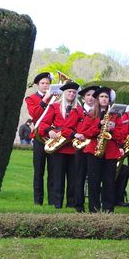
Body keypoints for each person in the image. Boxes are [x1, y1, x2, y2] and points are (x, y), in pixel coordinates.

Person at [77, 87, 126, 213]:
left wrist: (113, 129)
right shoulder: (91, 114)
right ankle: (94, 209)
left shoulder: (116, 115)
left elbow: (121, 135)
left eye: (106, 97)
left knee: (109, 181)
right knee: (94, 181)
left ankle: (108, 209)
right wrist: (99, 124)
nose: (104, 99)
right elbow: (85, 133)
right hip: (94, 151)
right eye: (102, 97)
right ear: (98, 99)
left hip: (110, 152)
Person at [37, 81, 82, 209]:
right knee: (57, 177)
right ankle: (57, 202)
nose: (72, 94)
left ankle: (71, 203)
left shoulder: (79, 109)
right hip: (58, 147)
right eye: (69, 92)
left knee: (73, 177)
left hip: (72, 147)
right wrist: (49, 131)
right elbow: (43, 124)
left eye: (74, 92)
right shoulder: (55, 107)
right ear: (64, 93)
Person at [25, 72, 55, 205]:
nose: (45, 86)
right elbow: (35, 114)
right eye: (42, 83)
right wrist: (45, 100)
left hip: (53, 138)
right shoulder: (30, 98)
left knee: (53, 171)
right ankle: (38, 201)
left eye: (47, 83)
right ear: (38, 85)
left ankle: (53, 200)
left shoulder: (56, 98)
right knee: (39, 171)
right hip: (38, 138)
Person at [73, 85, 98, 213]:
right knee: (80, 176)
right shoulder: (77, 111)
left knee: (94, 177)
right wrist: (75, 134)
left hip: (94, 147)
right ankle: (79, 205)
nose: (90, 98)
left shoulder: (101, 112)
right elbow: (67, 128)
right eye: (87, 95)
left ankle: (94, 206)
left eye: (93, 96)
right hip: (81, 147)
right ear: (83, 98)